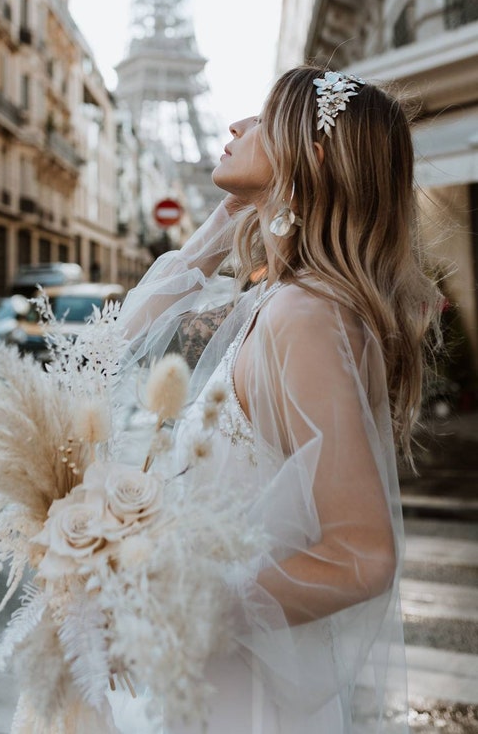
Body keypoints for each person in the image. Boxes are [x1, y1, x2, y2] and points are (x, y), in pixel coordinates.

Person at [118, 66, 441, 733]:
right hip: (218, 688)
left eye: (263, 116)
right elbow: (110, 347)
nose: (235, 125)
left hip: (244, 702)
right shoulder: (284, 299)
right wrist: (214, 232)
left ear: (310, 154)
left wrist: (182, 600)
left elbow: (363, 553)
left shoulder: (305, 313)